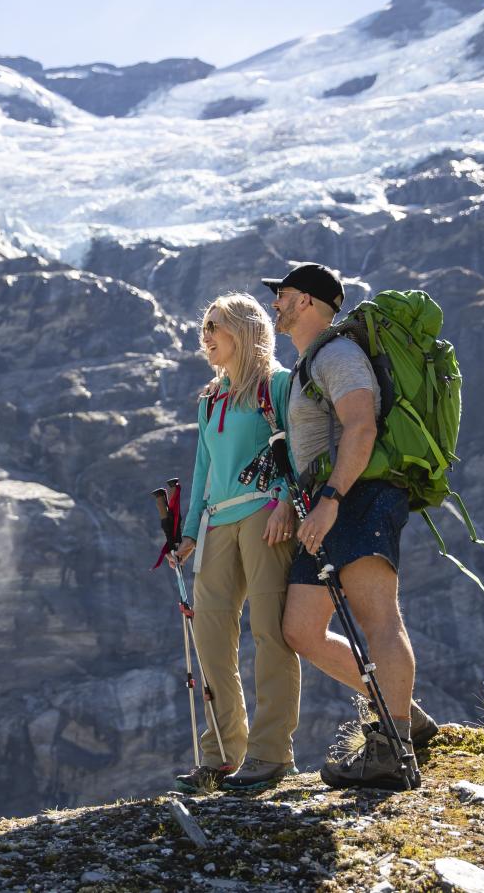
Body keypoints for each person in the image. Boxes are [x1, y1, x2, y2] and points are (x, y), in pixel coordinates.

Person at [263, 262, 439, 792]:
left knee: (378, 617)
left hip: (357, 498)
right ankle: (402, 714)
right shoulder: (310, 361)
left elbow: (361, 426)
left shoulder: (338, 355)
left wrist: (333, 499)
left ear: (311, 302)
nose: (277, 304)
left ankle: (391, 747)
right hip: (327, 503)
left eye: (285, 295)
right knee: (300, 629)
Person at [171, 293, 301, 793]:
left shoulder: (280, 385)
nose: (205, 337)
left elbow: (299, 449)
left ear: (244, 332)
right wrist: (187, 534)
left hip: (266, 515)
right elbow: (204, 466)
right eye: (203, 327)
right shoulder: (210, 398)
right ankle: (222, 755)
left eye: (214, 327)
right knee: (211, 639)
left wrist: (286, 502)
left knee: (271, 635)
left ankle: (271, 754)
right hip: (216, 523)